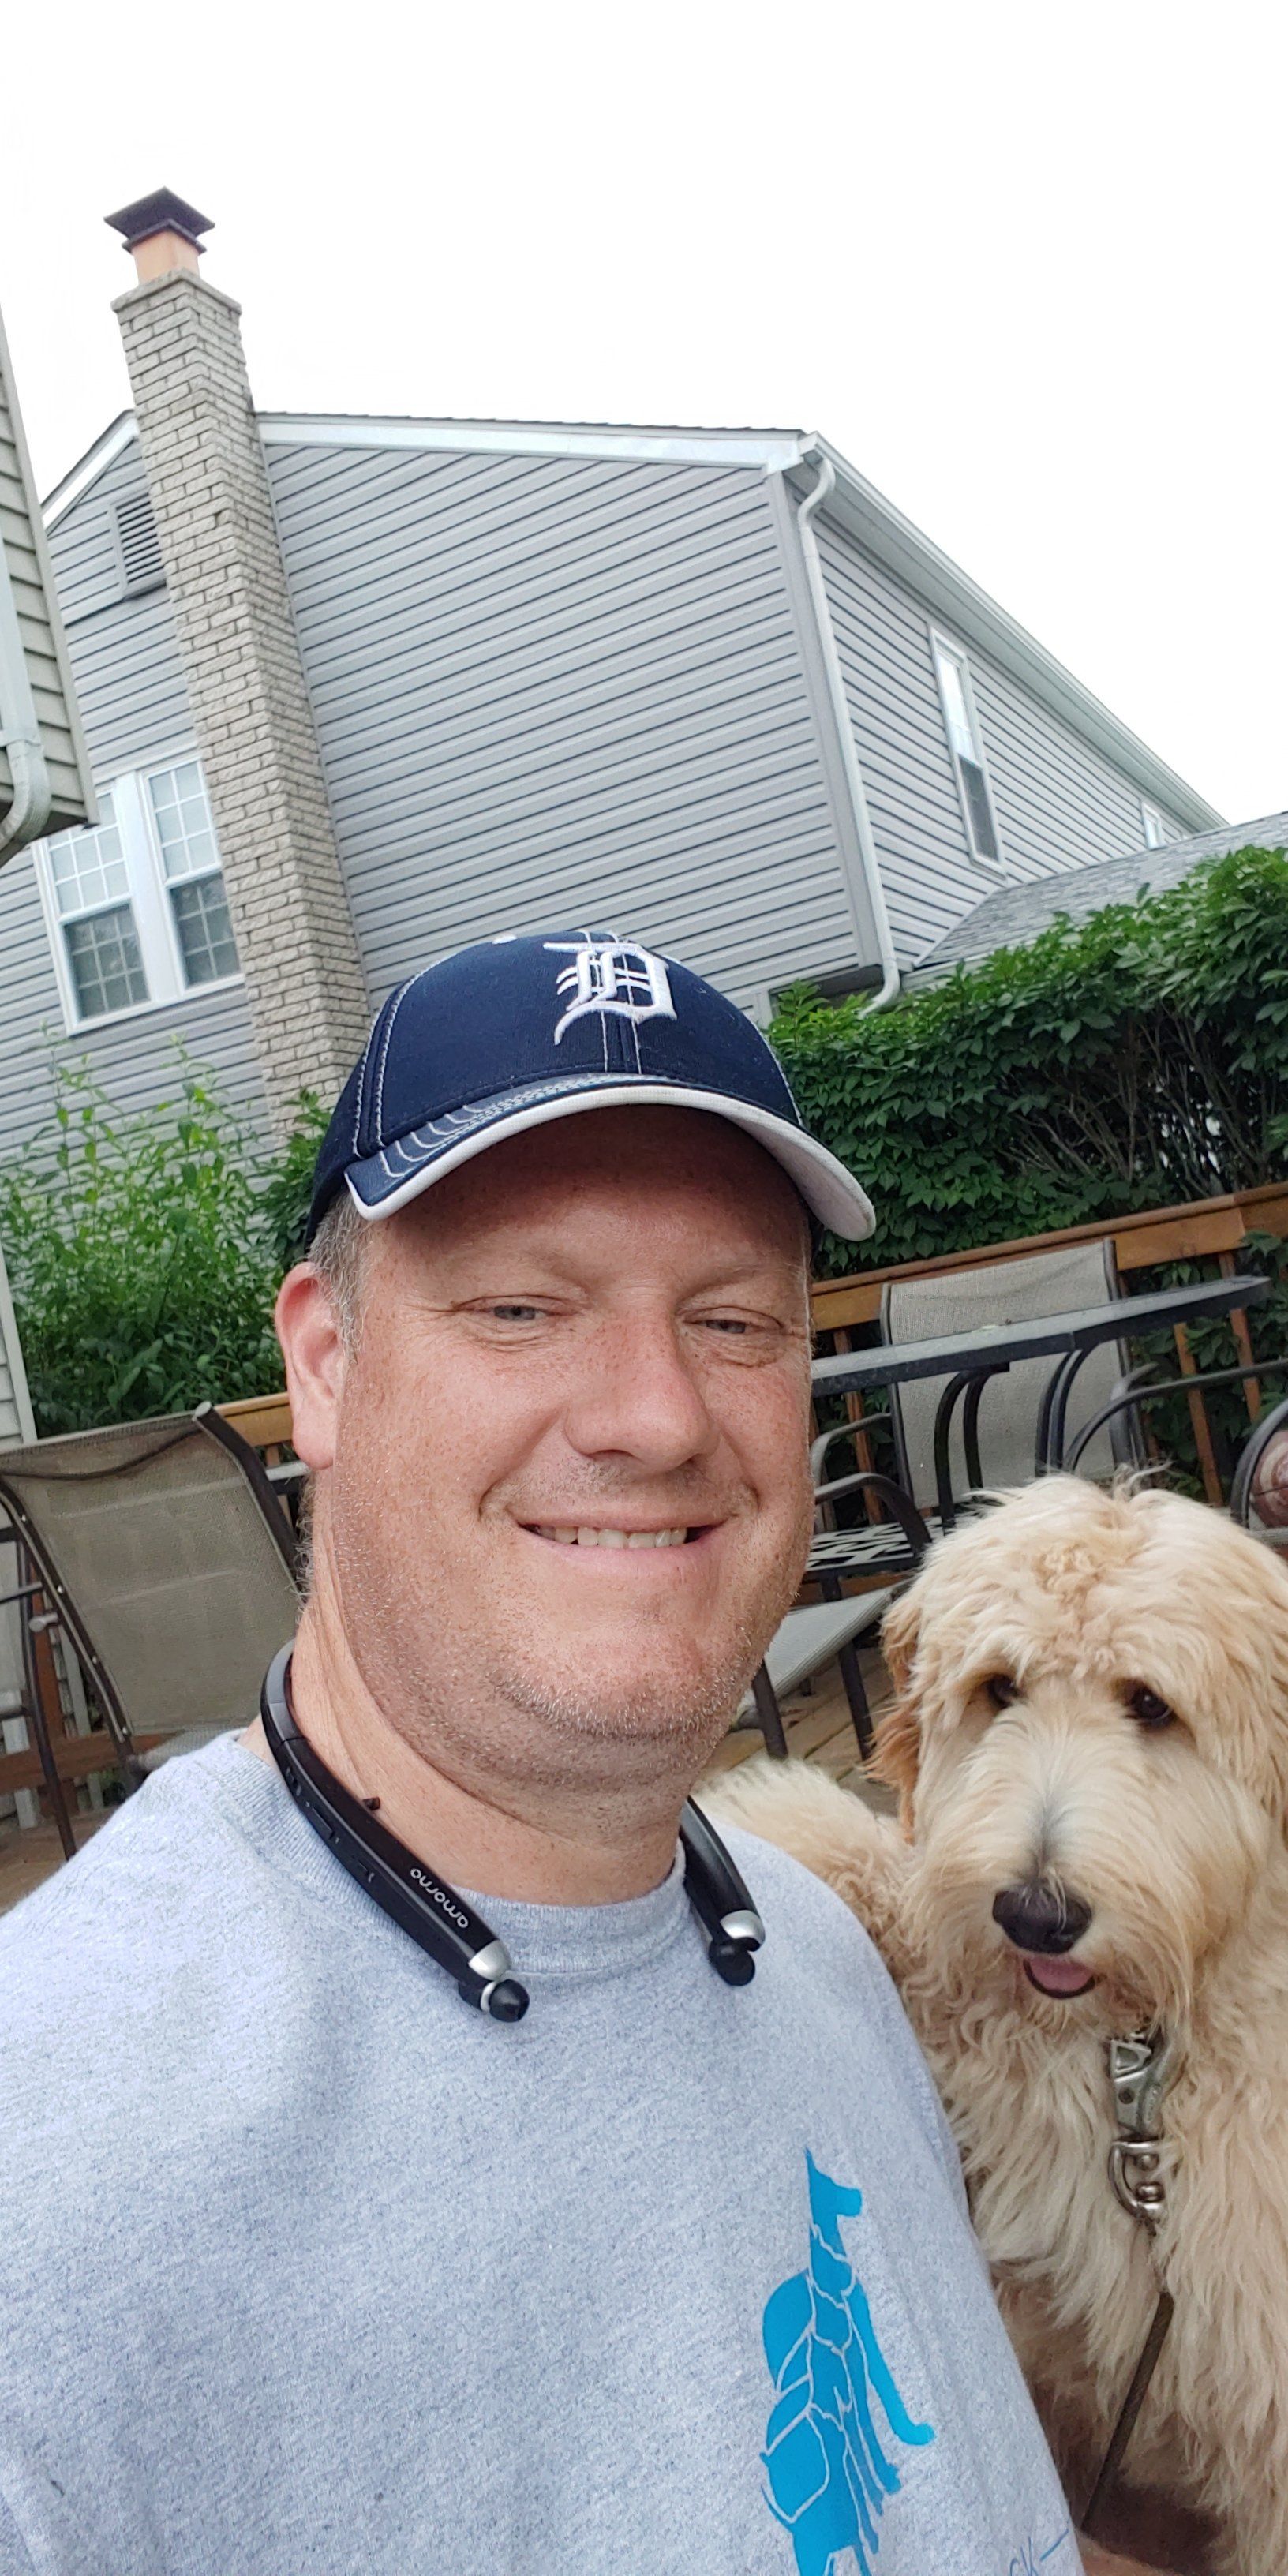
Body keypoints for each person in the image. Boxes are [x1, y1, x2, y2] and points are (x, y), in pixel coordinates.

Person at [0, 930, 1164, 2576]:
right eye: (522, 1307)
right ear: (324, 1362)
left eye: (736, 1321)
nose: (658, 1416)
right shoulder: (58, 2171)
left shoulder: (813, 1951)